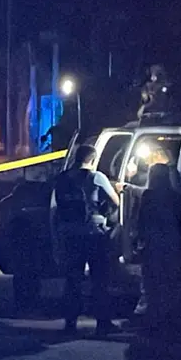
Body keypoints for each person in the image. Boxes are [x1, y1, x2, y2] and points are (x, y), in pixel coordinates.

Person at [50, 144, 122, 336]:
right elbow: (117, 202)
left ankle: (70, 323)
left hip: (70, 235)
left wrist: (57, 236)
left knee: (73, 280)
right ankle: (103, 323)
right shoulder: (97, 177)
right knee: (99, 279)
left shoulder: (62, 178)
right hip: (93, 234)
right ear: (92, 159)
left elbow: (55, 209)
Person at [130, 163, 181, 331]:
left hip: (153, 244)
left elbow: (141, 221)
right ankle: (171, 319)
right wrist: (177, 233)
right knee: (172, 281)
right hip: (173, 244)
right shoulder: (177, 196)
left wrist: (137, 241)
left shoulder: (149, 196)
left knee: (153, 282)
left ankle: (154, 320)